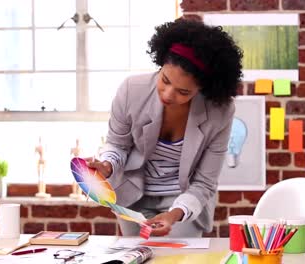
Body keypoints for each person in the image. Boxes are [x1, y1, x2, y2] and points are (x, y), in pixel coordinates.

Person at [86, 18, 243, 237]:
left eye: (184, 92)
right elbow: (118, 145)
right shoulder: (132, 90)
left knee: (181, 259)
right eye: (165, 80)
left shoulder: (220, 111)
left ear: (203, 89)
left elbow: (204, 182)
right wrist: (107, 165)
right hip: (132, 193)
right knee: (137, 257)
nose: (168, 95)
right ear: (160, 64)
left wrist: (174, 214)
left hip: (185, 198)